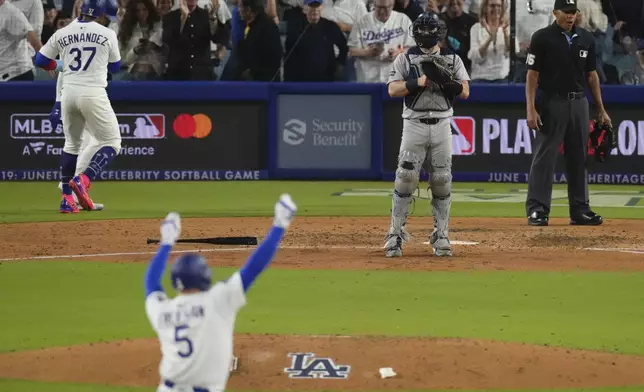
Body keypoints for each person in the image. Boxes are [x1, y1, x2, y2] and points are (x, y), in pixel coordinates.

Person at [143, 194, 297, 392]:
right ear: (204, 277)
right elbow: (252, 268)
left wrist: (166, 242)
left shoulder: (162, 311)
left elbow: (151, 283)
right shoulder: (216, 301)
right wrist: (280, 224)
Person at [384, 11, 470, 258]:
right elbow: (392, 89)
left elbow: (465, 91)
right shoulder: (405, 58)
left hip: (442, 122)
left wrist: (446, 82)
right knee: (406, 177)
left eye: (429, 29)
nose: (425, 34)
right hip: (414, 122)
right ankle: (395, 234)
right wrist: (417, 83)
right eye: (421, 29)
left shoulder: (452, 59)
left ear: (437, 32)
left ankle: (441, 235)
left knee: (442, 179)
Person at [525, 0, 610, 226]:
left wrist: (601, 109)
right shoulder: (542, 37)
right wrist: (530, 108)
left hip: (579, 102)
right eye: (566, 12)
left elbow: (592, 75)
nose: (571, 16)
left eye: (573, 12)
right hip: (552, 101)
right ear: (555, 13)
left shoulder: (586, 38)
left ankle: (580, 209)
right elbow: (532, 74)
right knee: (545, 156)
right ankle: (537, 209)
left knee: (579, 157)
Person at [34, 0, 122, 213]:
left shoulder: (63, 32)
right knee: (112, 141)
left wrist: (58, 64)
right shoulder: (106, 33)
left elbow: (40, 60)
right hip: (93, 93)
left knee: (72, 145)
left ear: (81, 10)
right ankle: (83, 179)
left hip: (69, 94)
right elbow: (116, 66)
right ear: (101, 13)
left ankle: (67, 199)